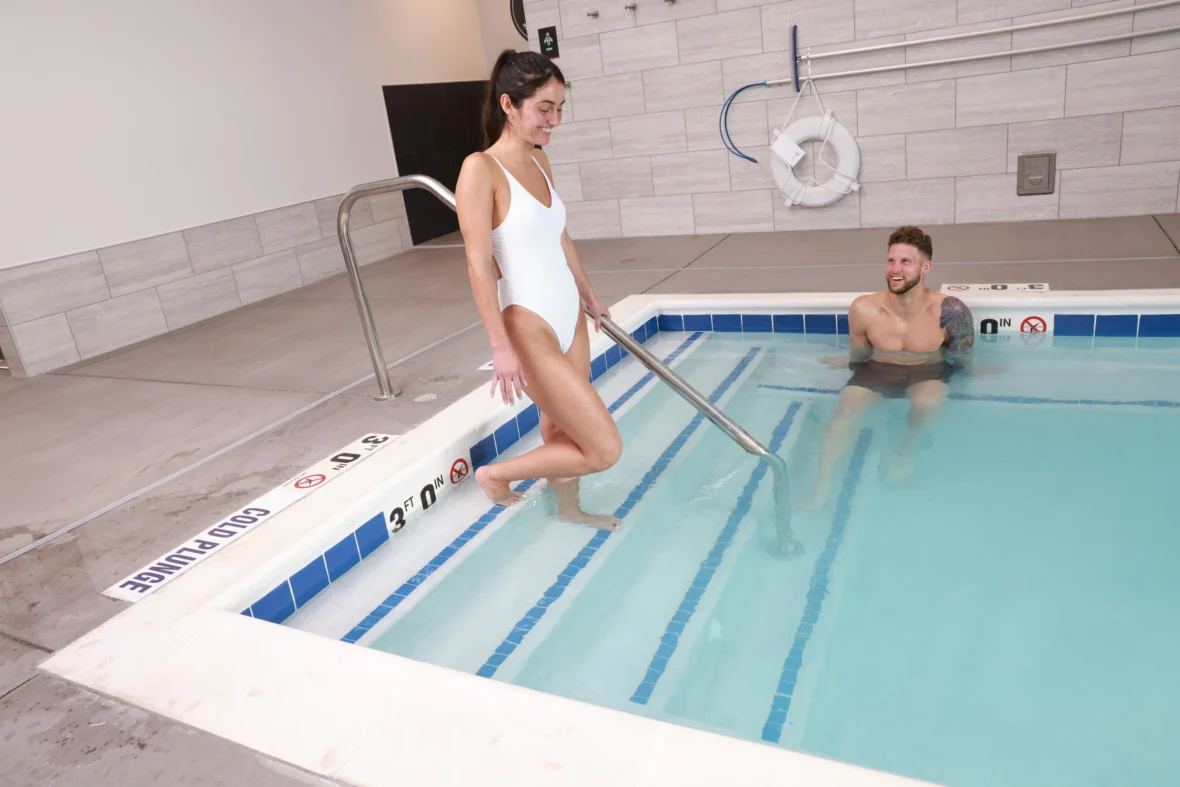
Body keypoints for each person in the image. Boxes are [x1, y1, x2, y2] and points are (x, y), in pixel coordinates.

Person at [455, 50, 622, 530]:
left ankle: (569, 510)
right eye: (545, 108)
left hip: (567, 311)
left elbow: (560, 235)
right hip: (528, 322)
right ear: (510, 104)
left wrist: (588, 294)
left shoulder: (541, 159)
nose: (555, 119)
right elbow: (476, 264)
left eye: (560, 107)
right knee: (604, 448)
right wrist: (499, 346)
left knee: (558, 426)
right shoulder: (480, 169)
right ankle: (495, 475)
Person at [802, 225, 975, 508]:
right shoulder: (864, 308)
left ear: (926, 266)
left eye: (906, 261)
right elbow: (860, 352)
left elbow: (961, 357)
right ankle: (822, 485)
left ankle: (904, 450)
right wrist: (848, 362)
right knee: (847, 407)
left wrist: (973, 371)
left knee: (929, 403)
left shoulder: (950, 310)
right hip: (879, 370)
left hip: (927, 372)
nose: (895, 269)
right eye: (891, 260)